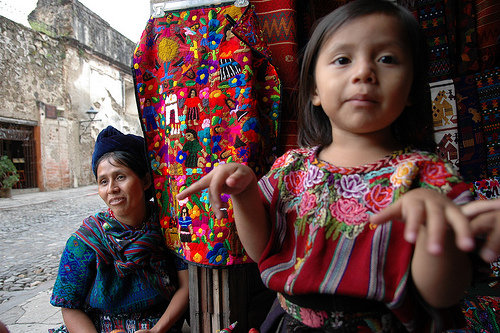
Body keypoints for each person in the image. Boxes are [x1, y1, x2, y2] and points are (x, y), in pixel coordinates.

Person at [177, 1, 482, 331]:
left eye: (387, 59)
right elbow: (260, 250)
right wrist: (246, 192)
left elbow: (443, 294)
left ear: (411, 88)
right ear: (315, 90)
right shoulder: (292, 169)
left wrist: (432, 228)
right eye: (342, 59)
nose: (363, 72)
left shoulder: (430, 178)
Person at [50, 126, 189, 333]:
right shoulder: (86, 241)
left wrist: (156, 330)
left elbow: (186, 287)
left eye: (120, 177)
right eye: (103, 181)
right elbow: (70, 306)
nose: (111, 189)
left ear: (145, 181)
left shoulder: (168, 228)